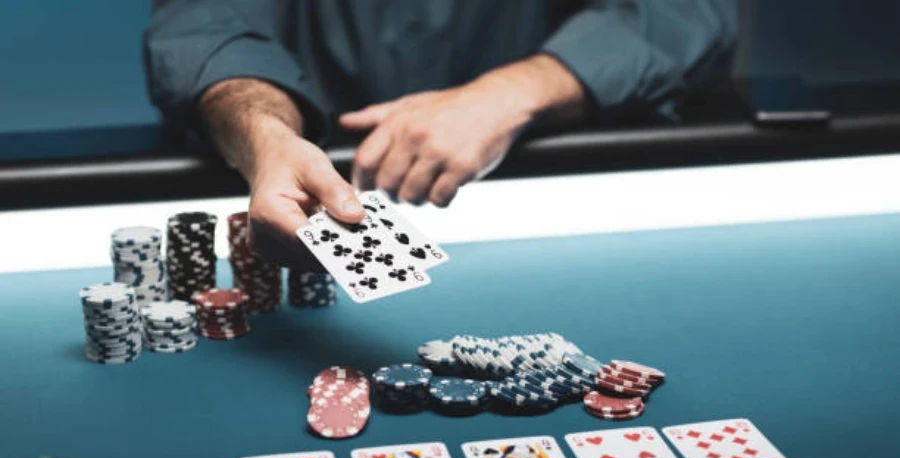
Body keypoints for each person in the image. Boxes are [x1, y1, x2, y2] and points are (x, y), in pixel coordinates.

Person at [144, 0, 736, 264]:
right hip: (316, 193)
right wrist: (267, 136)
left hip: (564, 203)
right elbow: (204, 25)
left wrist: (514, 91)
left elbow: (682, 13)